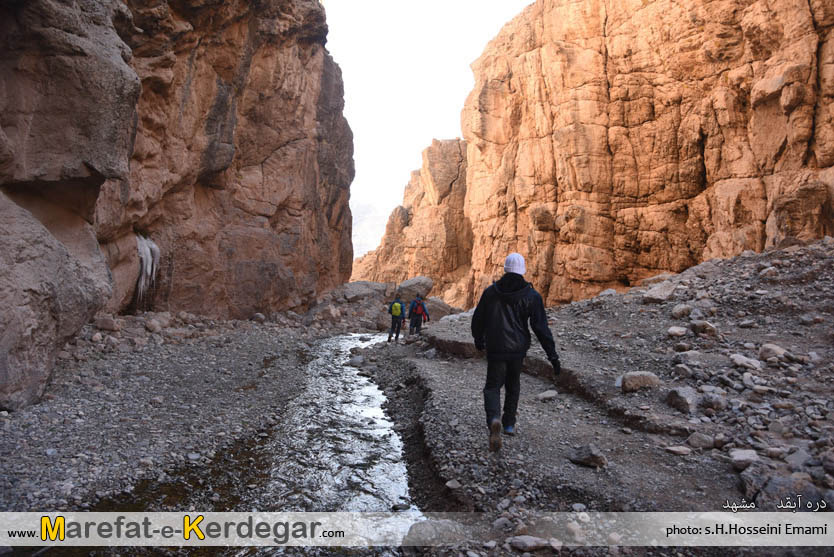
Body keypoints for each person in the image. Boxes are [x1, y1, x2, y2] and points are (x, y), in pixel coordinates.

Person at [471, 252, 561, 452]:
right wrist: (552, 356)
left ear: (505, 269)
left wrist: (478, 339)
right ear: (522, 271)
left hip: (495, 348)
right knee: (513, 385)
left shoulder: (490, 292)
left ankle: (494, 419)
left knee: (492, 386)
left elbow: (478, 319)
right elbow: (541, 328)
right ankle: (509, 423)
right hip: (518, 350)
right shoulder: (532, 296)